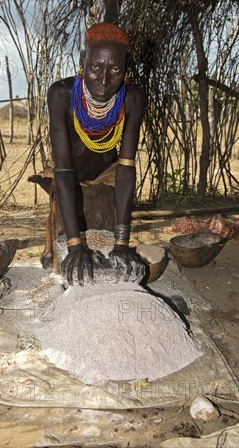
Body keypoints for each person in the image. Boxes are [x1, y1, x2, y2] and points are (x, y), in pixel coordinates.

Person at [45, 22, 146, 286]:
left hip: (105, 179)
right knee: (66, 265)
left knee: (107, 254)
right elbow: (64, 170)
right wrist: (76, 245)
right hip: (67, 178)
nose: (103, 80)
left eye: (114, 69)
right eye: (96, 67)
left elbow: (125, 167)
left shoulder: (131, 99)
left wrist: (122, 242)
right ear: (82, 60)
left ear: (125, 68)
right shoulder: (61, 94)